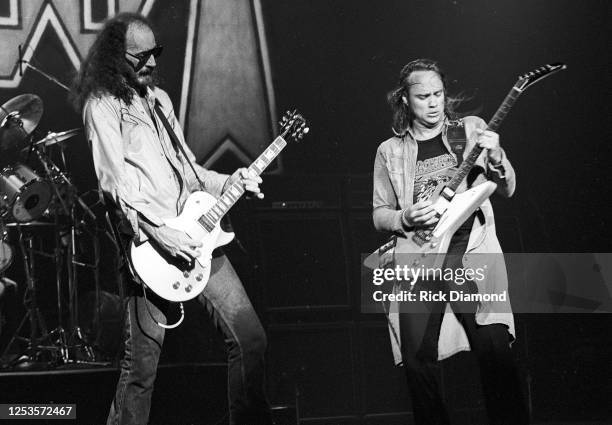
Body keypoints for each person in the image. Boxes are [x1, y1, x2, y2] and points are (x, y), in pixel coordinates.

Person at [72, 13, 272, 425]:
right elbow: (114, 185)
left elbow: (191, 171)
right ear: (115, 58)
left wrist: (230, 181)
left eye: (155, 53)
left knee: (250, 339)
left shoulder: (160, 101)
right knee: (141, 370)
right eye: (139, 56)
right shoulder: (103, 106)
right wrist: (158, 233)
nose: (150, 63)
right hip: (149, 251)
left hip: (197, 239)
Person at [372, 59, 529, 425]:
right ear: (405, 100)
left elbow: (507, 188)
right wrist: (403, 217)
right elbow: (379, 212)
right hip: (419, 258)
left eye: (438, 94)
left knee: (494, 351)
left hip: (470, 252)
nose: (433, 103)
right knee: (417, 361)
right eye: (423, 96)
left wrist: (497, 154)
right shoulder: (389, 151)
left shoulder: (471, 130)